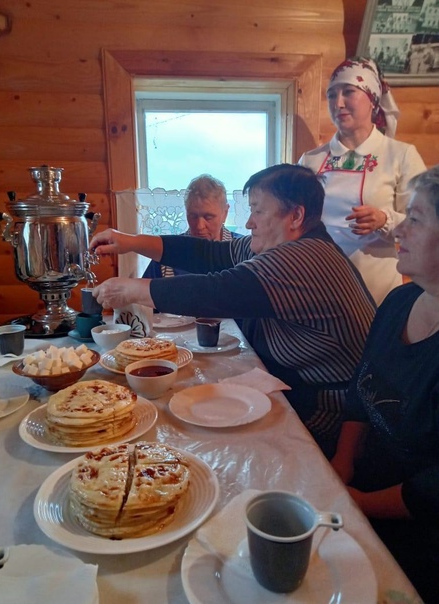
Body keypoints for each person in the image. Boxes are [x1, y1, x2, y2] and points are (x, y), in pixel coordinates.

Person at [90, 164, 376, 457]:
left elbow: (214, 291)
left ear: (296, 216)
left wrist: (132, 289)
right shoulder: (287, 245)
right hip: (305, 394)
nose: (249, 222)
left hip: (334, 417)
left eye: (258, 211)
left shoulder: (302, 258)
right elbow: (209, 254)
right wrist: (130, 241)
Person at [330, 165, 439, 603]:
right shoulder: (400, 300)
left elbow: (432, 490)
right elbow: (362, 388)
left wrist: (357, 503)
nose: (400, 229)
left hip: (417, 532)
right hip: (362, 487)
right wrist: (342, 463)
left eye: (416, 219)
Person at [298, 56, 426, 305]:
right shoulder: (311, 160)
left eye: (348, 92)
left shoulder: (400, 155)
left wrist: (384, 220)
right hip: (318, 283)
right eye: (332, 95)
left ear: (372, 99)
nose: (338, 103)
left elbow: (423, 223)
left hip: (376, 287)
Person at [143, 174, 241, 279]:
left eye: (208, 217)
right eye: (193, 216)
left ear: (225, 213)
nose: (199, 226)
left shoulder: (243, 252)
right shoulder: (166, 254)